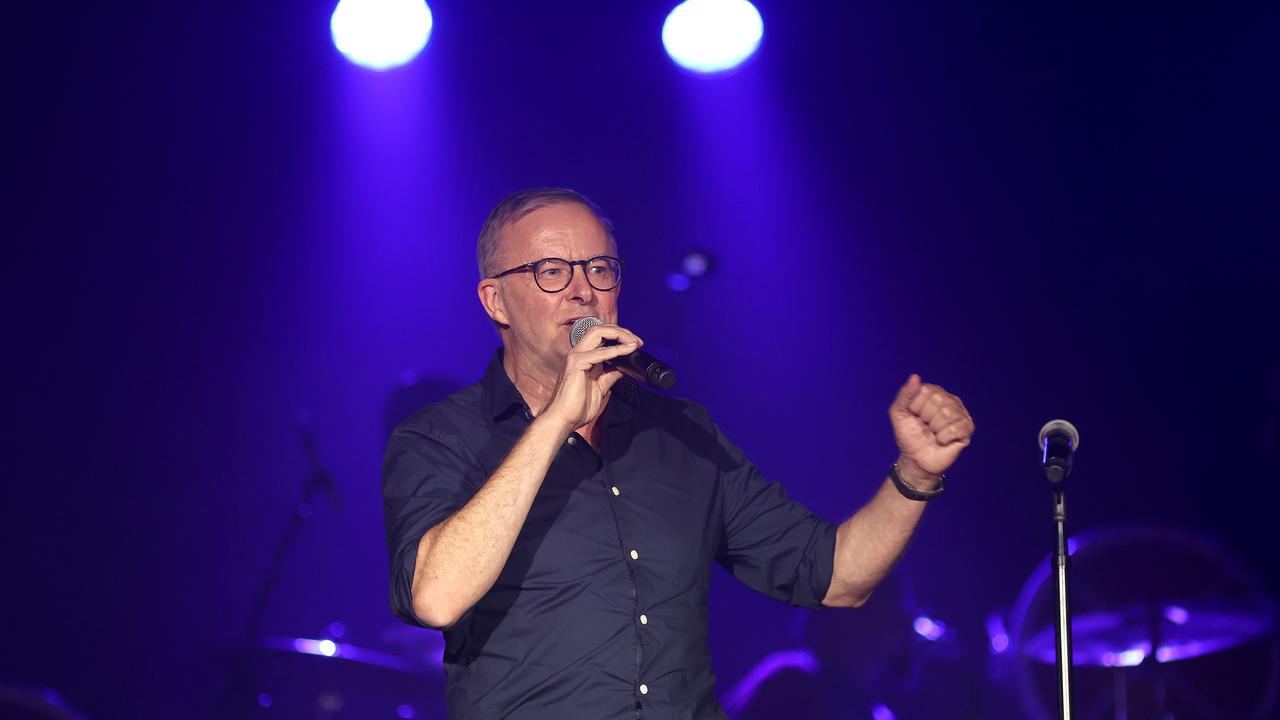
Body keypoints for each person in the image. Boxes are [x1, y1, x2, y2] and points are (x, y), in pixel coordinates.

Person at [381, 188, 975, 719]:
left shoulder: (680, 434)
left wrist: (915, 473)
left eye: (601, 269)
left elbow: (838, 576)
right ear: (496, 302)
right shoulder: (439, 438)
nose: (584, 289)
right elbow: (435, 597)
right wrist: (558, 418)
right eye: (552, 271)